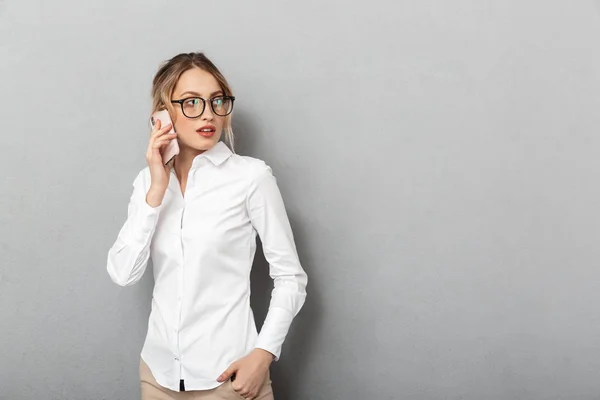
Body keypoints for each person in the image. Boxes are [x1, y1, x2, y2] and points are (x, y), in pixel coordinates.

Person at [107, 52, 308, 400]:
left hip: (230, 379)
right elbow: (123, 273)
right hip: (158, 377)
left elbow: (291, 277)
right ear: (162, 114)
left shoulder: (250, 177)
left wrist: (263, 355)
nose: (208, 114)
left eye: (217, 101)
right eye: (190, 102)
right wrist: (156, 188)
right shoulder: (147, 184)